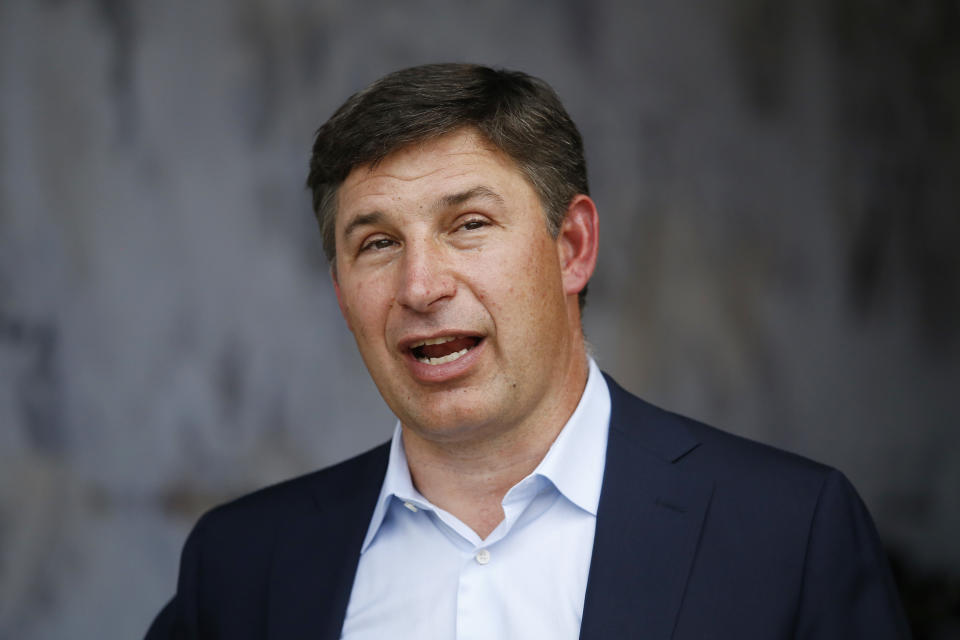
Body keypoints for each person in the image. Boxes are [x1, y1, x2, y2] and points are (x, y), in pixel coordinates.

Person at [146, 63, 910, 639]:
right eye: (377, 243)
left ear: (572, 247)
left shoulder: (788, 529)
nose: (420, 285)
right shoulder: (241, 566)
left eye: (469, 224)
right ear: (343, 291)